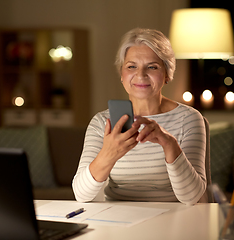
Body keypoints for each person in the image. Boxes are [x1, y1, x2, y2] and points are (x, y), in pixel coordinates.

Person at [72, 28, 206, 204]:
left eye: (152, 67)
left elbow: (192, 197)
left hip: (171, 220)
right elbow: (81, 195)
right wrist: (109, 154)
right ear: (122, 74)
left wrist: (169, 144)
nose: (141, 74)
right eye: (131, 66)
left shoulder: (188, 119)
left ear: (167, 74)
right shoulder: (101, 123)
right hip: (117, 221)